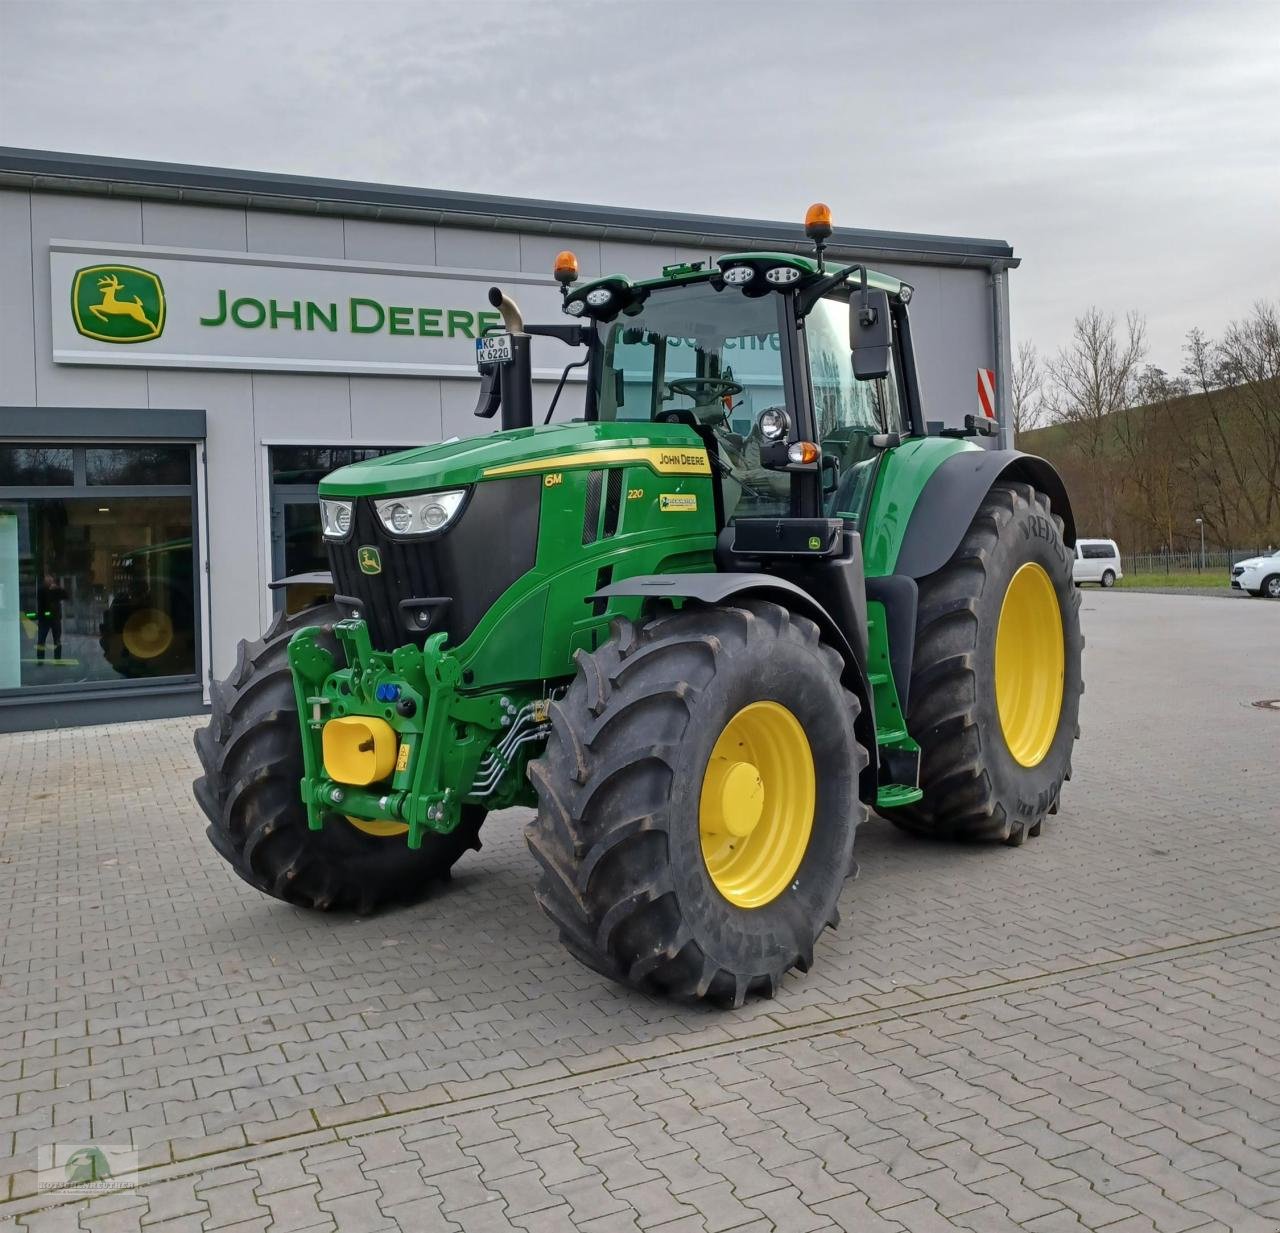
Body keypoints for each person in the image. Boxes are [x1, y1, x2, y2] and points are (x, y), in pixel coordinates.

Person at [36, 574, 67, 662]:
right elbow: (42, 603)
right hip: (44, 619)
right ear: (45, 582)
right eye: (48, 581)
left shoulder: (56, 590)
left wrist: (58, 588)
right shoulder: (41, 590)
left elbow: (66, 596)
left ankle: (57, 658)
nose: (50, 583)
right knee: (41, 640)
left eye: (51, 581)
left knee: (57, 639)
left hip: (55, 618)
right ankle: (40, 659)